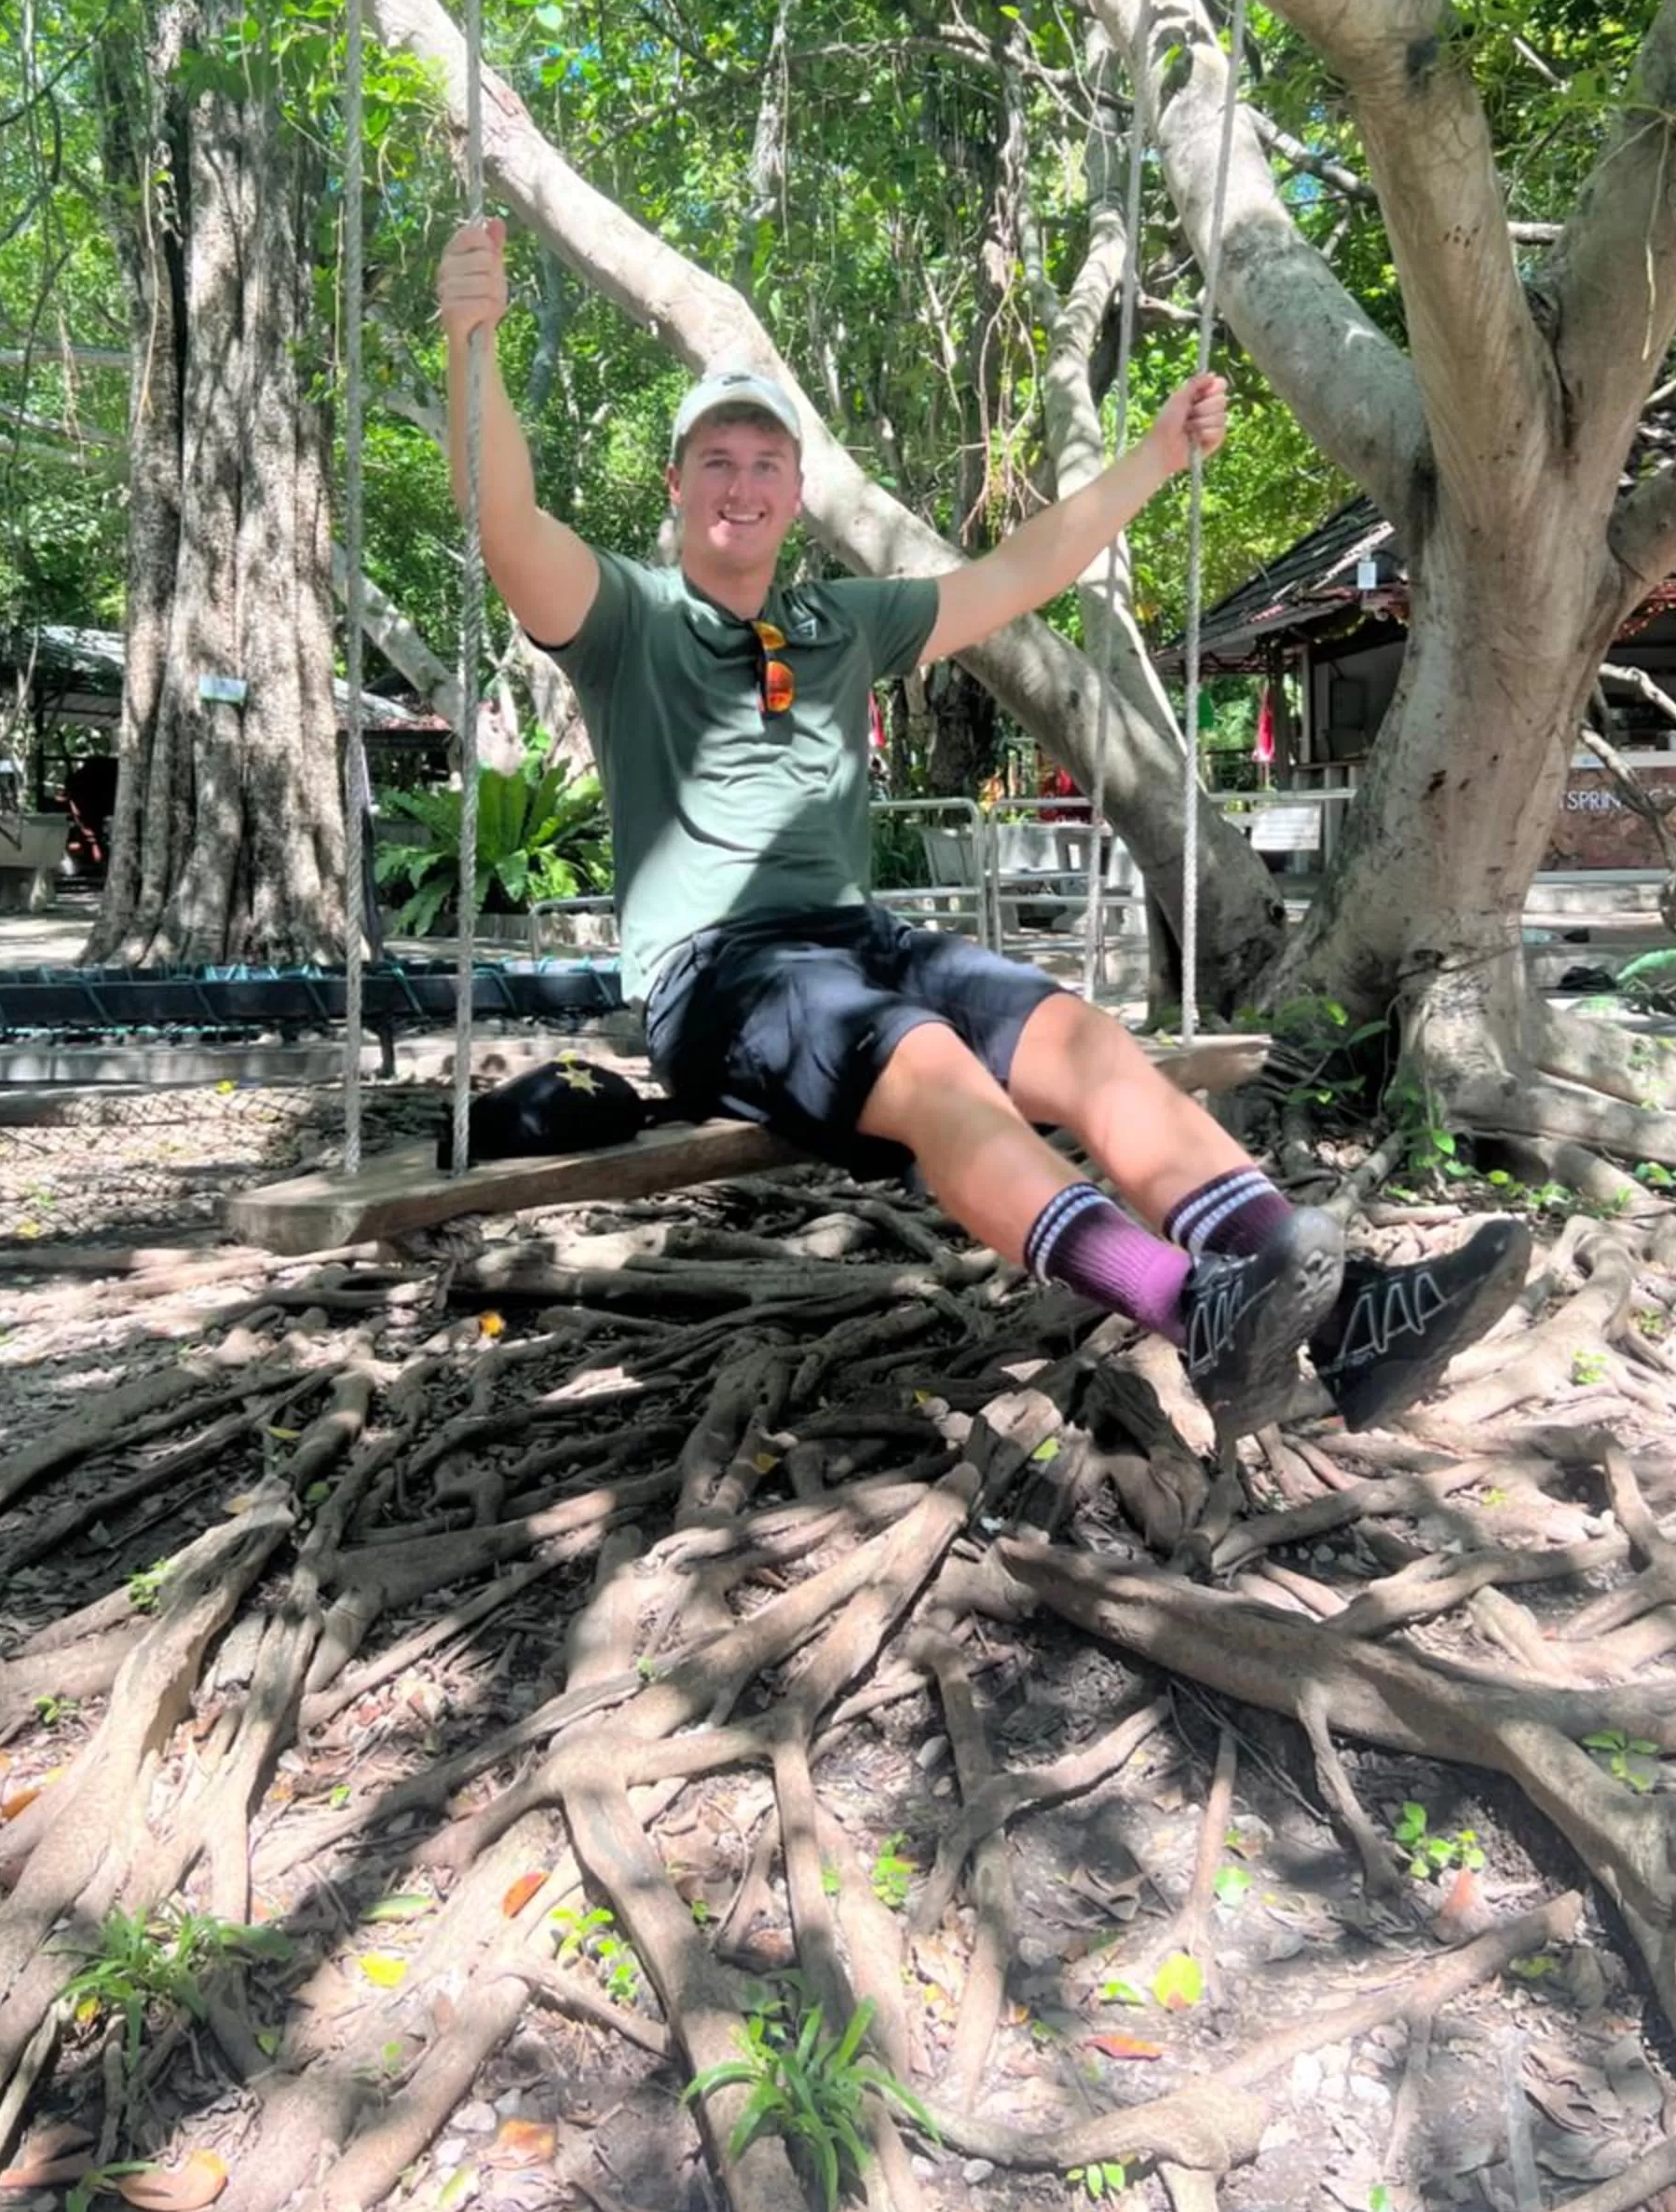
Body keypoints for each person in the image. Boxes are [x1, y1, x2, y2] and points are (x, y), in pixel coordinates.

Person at [437, 217, 1527, 1438]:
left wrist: (1157, 457)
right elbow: (509, 529)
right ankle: (1185, 1305)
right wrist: (471, 345)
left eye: (763, 464)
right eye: (716, 462)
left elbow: (1019, 574)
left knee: (1085, 1042)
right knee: (934, 1070)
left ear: (794, 494)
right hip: (721, 976)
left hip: (860, 940)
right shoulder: (626, 619)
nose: (740, 485)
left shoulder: (840, 622)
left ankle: (1348, 1316)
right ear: (678, 485)